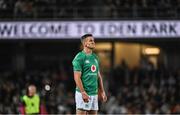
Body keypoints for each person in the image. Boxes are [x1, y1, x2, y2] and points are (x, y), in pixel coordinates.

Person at [72, 34, 107, 114]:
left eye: (93, 40)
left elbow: (98, 76)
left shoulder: (95, 57)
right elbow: (77, 77)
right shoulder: (79, 57)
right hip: (83, 93)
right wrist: (83, 92)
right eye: (90, 41)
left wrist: (102, 91)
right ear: (85, 44)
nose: (93, 42)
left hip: (94, 93)